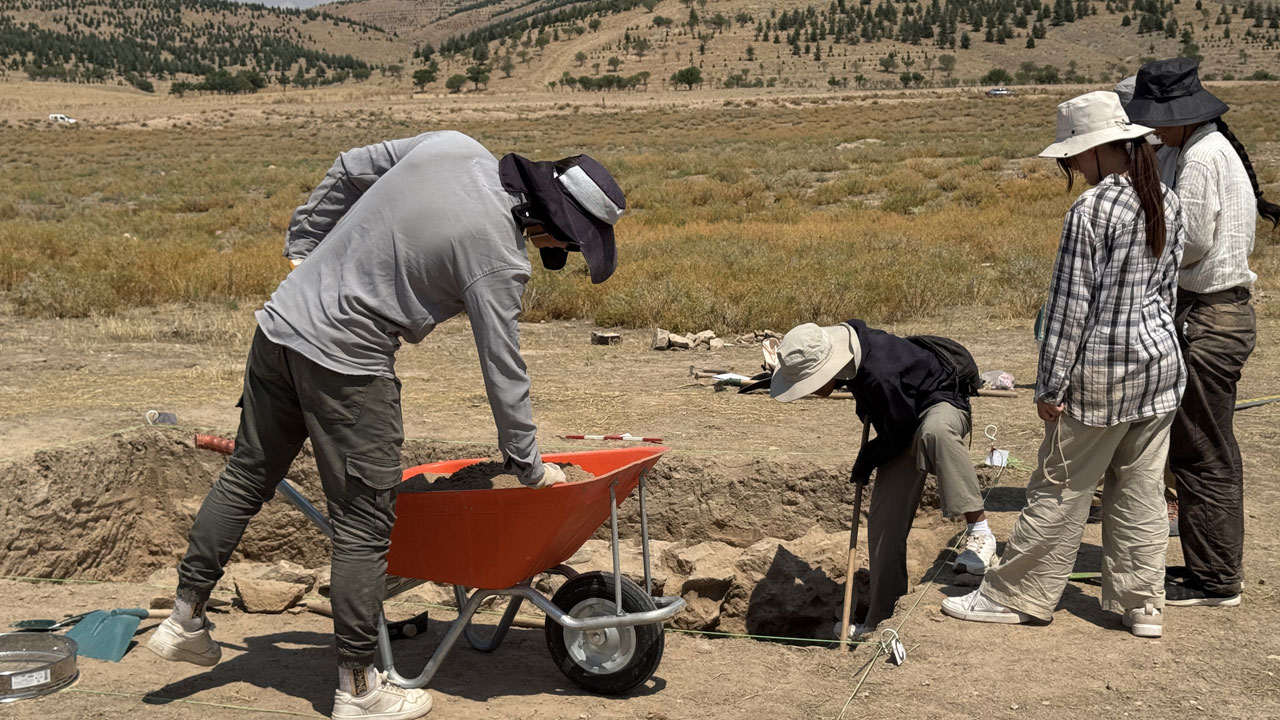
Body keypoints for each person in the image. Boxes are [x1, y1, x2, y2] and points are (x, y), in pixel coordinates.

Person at [145, 131, 626, 720]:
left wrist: (303, 242)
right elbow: (504, 371)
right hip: (348, 366)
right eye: (576, 242)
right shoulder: (499, 257)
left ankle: (184, 619)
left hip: (278, 327)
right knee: (363, 522)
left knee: (248, 475)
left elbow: (349, 166)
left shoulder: (454, 147)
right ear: (554, 223)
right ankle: (359, 686)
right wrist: (529, 466)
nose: (569, 252)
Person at [942, 91, 1185, 638]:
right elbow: (1167, 293)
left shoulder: (1091, 211)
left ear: (1099, 150)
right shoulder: (1168, 199)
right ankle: (1142, 603)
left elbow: (1069, 310)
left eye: (1073, 155)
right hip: (1160, 369)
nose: (1070, 165)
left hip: (1100, 378)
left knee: (1059, 487)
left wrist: (1050, 385)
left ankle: (1019, 595)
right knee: (1141, 489)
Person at [1126, 58, 1279, 607]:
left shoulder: (1202, 158)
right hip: (1211, 313)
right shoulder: (1191, 150)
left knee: (1202, 451)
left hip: (1208, 317)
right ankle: (1208, 568)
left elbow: (1189, 243)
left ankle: (1215, 579)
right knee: (1200, 448)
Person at [769, 321, 996, 636]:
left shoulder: (878, 371)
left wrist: (870, 456)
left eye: (806, 382)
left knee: (935, 432)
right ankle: (880, 622)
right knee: (883, 521)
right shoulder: (853, 362)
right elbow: (894, 420)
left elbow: (899, 431)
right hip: (901, 421)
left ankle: (980, 532)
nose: (806, 391)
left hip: (942, 404)